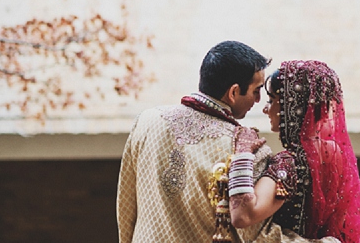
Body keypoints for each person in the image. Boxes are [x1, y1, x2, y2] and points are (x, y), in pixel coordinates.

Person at [116, 40, 272, 242]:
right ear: (233, 93)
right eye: (256, 91)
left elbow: (126, 210)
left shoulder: (147, 122)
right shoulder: (246, 148)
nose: (258, 100)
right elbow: (256, 236)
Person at [228, 60, 360, 243]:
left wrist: (243, 154)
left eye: (272, 101)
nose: (265, 109)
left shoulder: (289, 163)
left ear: (291, 106)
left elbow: (242, 216)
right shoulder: (336, 154)